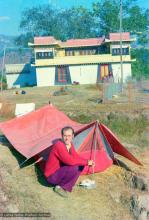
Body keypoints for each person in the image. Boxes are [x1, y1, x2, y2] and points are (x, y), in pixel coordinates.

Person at [44, 126, 94, 197]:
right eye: (65, 136)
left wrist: (87, 161)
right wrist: (86, 162)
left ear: (73, 136)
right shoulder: (59, 145)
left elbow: (75, 156)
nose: (67, 138)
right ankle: (59, 187)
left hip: (59, 172)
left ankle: (66, 186)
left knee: (80, 165)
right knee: (73, 167)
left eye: (69, 136)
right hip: (51, 177)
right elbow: (69, 161)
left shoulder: (70, 144)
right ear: (62, 136)